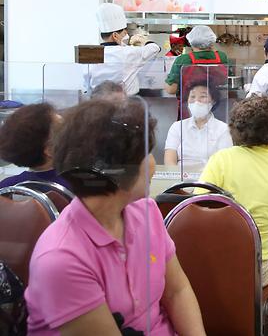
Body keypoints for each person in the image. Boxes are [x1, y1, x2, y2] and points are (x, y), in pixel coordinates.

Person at [25, 99, 205, 335]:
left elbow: (176, 290)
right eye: (146, 154)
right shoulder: (62, 260)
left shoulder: (146, 212)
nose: (152, 164)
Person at [199, 96, 268, 291]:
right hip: (257, 269)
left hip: (213, 265)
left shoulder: (219, 160)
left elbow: (199, 207)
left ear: (235, 129)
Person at [87, 3, 161, 95]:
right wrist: (144, 41)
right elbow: (155, 48)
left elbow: (86, 84)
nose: (126, 35)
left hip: (97, 103)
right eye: (124, 33)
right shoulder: (128, 53)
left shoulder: (91, 54)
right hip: (123, 103)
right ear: (115, 35)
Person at [164, 82, 233, 172]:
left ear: (213, 101)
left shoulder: (223, 129)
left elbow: (224, 163)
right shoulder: (177, 127)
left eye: (203, 96)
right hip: (180, 182)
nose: (197, 101)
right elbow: (169, 161)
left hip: (209, 181)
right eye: (192, 97)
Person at [0, 103, 68, 189]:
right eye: (63, 129)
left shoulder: (7, 187)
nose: (70, 132)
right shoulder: (78, 185)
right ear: (50, 149)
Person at [164, 25, 229, 96]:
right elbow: (223, 81)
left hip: (189, 103)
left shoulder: (183, 59)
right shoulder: (221, 56)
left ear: (190, 41)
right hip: (215, 103)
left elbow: (171, 90)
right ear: (211, 41)